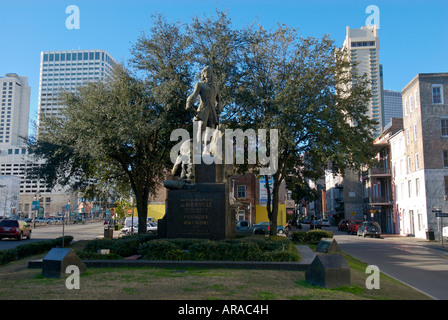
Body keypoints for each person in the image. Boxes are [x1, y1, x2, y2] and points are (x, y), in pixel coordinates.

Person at [186, 66, 222, 156]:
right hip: (203, 108)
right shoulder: (200, 85)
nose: (208, 73)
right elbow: (194, 95)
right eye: (206, 71)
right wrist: (189, 102)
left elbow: (219, 100)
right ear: (203, 74)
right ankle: (198, 149)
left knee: (210, 129)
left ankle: (207, 149)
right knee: (201, 127)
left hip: (212, 110)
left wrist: (219, 107)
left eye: (210, 71)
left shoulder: (216, 87)